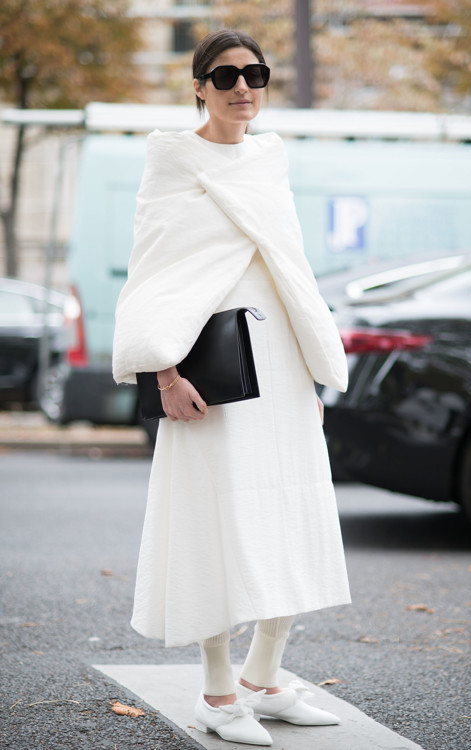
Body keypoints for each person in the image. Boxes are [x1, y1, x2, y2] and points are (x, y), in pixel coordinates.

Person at [113, 28, 351, 747]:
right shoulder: (172, 161)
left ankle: (264, 679)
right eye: (224, 76)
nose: (242, 87)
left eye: (256, 74)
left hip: (280, 364)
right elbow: (155, 273)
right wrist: (164, 372)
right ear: (198, 86)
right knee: (215, 520)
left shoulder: (270, 159)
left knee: (292, 513)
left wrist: (308, 373)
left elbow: (289, 268)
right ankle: (217, 693)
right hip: (209, 371)